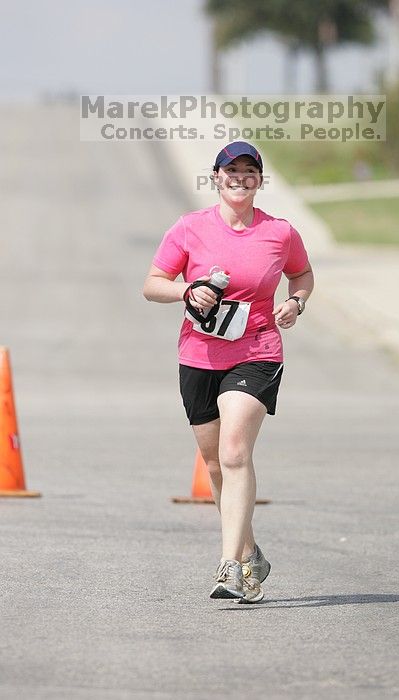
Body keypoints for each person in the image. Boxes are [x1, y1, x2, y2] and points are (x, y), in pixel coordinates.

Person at [143, 141, 314, 603]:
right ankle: (251, 551)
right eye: (230, 170)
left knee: (236, 452)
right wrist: (186, 292)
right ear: (215, 177)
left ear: (260, 180)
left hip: (257, 350)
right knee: (216, 463)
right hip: (198, 355)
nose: (240, 177)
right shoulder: (189, 228)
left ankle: (230, 566)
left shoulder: (280, 233)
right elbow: (152, 285)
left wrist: (295, 302)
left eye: (249, 170)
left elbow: (303, 275)